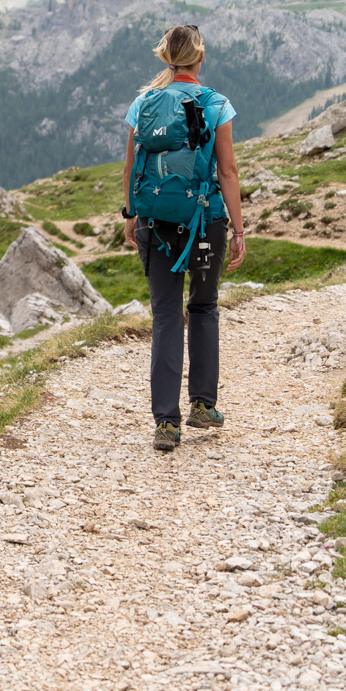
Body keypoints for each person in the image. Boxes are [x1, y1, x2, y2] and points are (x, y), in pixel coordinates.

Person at [121, 24, 246, 452]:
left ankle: (165, 425)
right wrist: (239, 228)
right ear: (200, 56)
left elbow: (129, 168)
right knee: (204, 305)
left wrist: (130, 215)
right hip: (205, 222)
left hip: (154, 222)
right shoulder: (216, 104)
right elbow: (227, 171)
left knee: (166, 316)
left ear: (166, 58)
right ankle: (203, 406)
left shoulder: (143, 103)